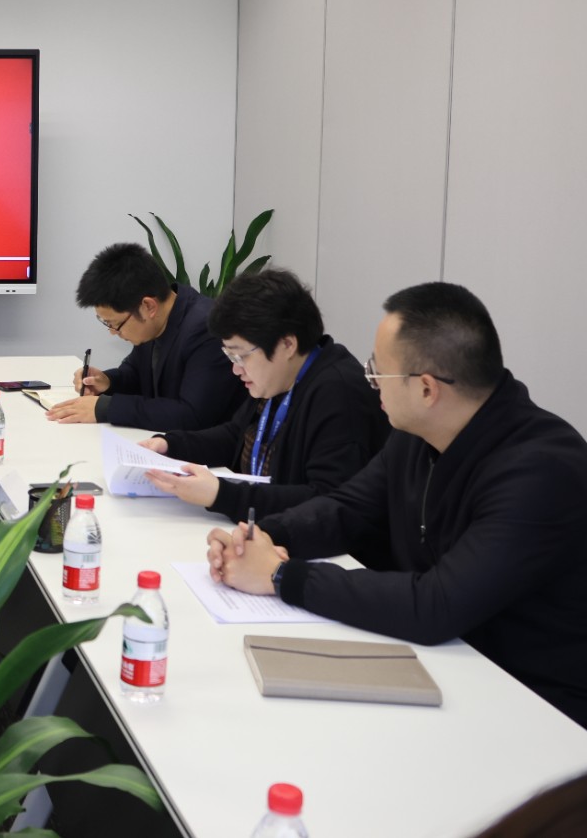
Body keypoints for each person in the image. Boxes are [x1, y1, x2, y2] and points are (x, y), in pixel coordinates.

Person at [209, 283, 587, 727]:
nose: (370, 383)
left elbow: (436, 605)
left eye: (378, 372)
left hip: (535, 707)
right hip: (443, 667)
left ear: (427, 389)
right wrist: (263, 536)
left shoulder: (541, 470)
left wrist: (279, 575)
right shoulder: (416, 436)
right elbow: (347, 508)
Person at [141, 267, 389, 524]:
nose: (236, 369)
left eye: (240, 356)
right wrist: (170, 445)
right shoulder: (280, 377)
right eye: (230, 356)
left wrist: (221, 495)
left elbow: (328, 502)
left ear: (287, 344)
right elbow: (236, 435)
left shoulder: (339, 394)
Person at [46, 242, 244, 429]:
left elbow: (192, 415)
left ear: (148, 306)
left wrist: (106, 408)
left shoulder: (208, 328)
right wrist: (107, 382)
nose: (113, 332)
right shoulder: (157, 322)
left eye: (115, 324)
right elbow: (135, 374)